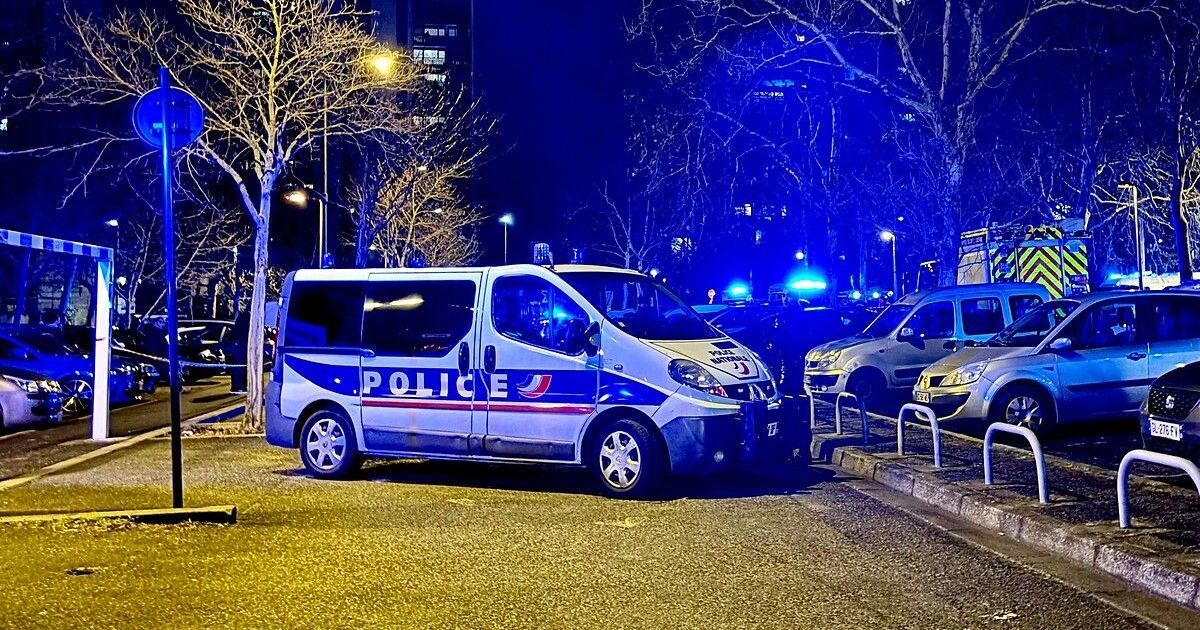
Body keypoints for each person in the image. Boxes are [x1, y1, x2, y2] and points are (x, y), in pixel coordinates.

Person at [228, 311, 250, 394]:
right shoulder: (245, 319)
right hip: (242, 347)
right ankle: (239, 386)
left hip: (239, 347)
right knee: (241, 368)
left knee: (238, 368)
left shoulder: (240, 319)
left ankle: (237, 386)